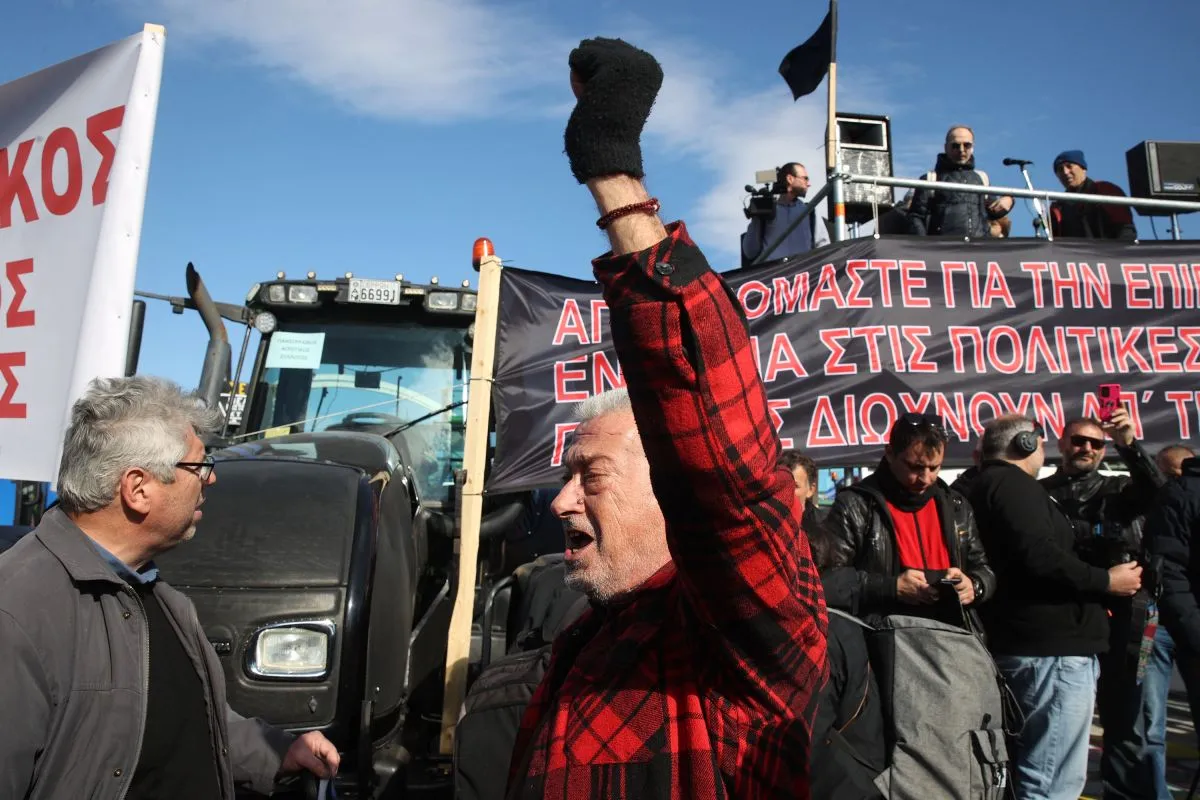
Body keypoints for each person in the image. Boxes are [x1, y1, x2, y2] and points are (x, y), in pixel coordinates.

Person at [506, 38, 827, 799]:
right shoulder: (585, 639)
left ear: (670, 488)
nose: (559, 502)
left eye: (591, 476)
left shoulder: (744, 636)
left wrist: (612, 174)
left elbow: (720, 452)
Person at [0, 376, 339, 799]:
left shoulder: (160, 598)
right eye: (198, 466)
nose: (210, 480)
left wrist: (276, 754)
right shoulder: (16, 613)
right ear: (138, 489)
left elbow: (183, 724)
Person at [968, 415, 1142, 800]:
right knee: (1050, 782)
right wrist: (1106, 580)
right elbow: (1039, 555)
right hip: (1051, 652)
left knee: (1033, 773)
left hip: (1033, 647)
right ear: (1027, 444)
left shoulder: (985, 486)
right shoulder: (1015, 486)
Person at [1040, 410, 1167, 800]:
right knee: (1055, 718)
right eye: (1079, 440)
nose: (1087, 449)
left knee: (1127, 721)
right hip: (1063, 616)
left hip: (1127, 616)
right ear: (1062, 443)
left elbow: (1159, 490)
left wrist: (1128, 443)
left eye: (1096, 443)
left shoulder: (1118, 489)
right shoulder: (1039, 491)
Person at [826, 413, 995, 629]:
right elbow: (829, 580)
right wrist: (891, 587)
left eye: (934, 467)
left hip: (951, 640)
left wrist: (974, 585)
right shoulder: (856, 505)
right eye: (915, 467)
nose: (926, 478)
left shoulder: (957, 506)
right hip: (884, 641)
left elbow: (983, 569)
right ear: (889, 454)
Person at [1144, 456, 1200, 760]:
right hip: (1152, 627)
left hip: (1178, 621)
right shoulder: (1179, 493)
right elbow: (1170, 571)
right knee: (1149, 724)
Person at [907, 125, 1013, 238]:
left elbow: (993, 211)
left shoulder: (982, 178)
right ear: (946, 147)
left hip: (979, 248)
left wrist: (1009, 200)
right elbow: (916, 217)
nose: (961, 150)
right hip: (942, 250)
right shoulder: (930, 178)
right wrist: (925, 247)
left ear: (972, 147)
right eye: (955, 145)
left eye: (966, 145)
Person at [741, 161, 830, 263]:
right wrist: (757, 219)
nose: (808, 184)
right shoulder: (766, 208)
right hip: (772, 275)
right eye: (805, 178)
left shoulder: (810, 211)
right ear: (790, 179)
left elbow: (824, 248)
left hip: (802, 274)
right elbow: (750, 252)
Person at [1049, 150, 1137, 240]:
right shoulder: (1058, 207)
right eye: (1060, 169)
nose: (1065, 172)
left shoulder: (1105, 190)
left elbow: (1125, 230)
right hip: (1069, 253)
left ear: (1083, 168)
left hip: (1105, 252)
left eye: (1069, 166)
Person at [781, 448, 824, 525]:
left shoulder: (824, 525)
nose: (785, 491)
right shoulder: (763, 522)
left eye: (795, 486)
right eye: (781, 484)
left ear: (811, 489)